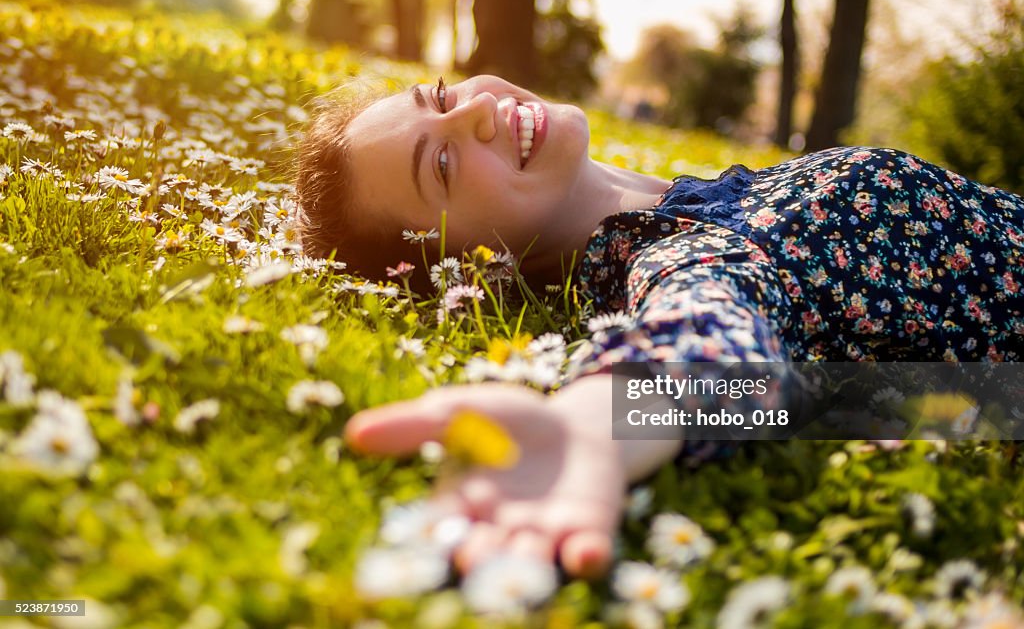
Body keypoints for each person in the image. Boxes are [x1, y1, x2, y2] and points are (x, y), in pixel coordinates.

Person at [293, 74, 1024, 580]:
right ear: (477, 270)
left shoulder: (698, 200)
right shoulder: (682, 256)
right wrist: (594, 423)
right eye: (443, 161)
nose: (476, 113)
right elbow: (707, 341)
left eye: (442, 97)